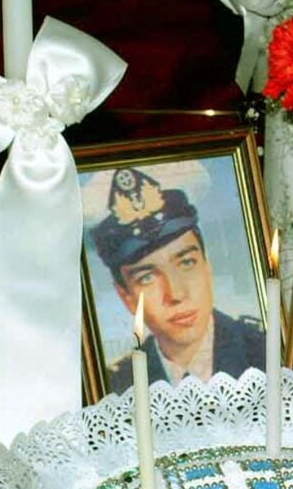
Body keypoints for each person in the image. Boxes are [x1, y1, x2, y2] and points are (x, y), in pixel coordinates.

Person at [91, 167, 264, 392]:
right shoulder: (115, 388)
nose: (176, 294)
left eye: (187, 263)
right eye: (147, 277)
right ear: (127, 297)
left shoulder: (267, 353)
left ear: (207, 267)